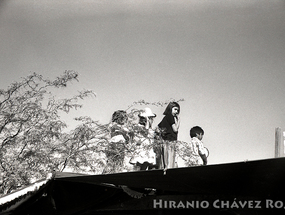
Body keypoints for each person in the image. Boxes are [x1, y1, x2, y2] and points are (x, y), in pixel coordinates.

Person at [155, 102, 180, 169]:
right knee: (170, 162)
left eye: (177, 110)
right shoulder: (170, 116)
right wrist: (178, 121)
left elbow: (158, 128)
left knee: (164, 162)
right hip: (170, 141)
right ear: (170, 108)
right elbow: (175, 129)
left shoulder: (165, 118)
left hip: (165, 142)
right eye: (175, 109)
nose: (176, 112)